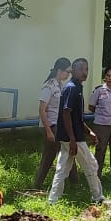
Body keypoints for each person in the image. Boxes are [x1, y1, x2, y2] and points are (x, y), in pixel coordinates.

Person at [47, 59, 105, 205]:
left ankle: (53, 200)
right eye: (80, 69)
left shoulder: (76, 87)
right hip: (72, 138)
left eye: (86, 69)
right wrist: (73, 139)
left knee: (62, 168)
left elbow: (77, 117)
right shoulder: (72, 88)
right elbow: (66, 113)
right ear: (73, 71)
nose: (84, 72)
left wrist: (89, 131)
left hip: (69, 136)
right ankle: (98, 197)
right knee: (91, 165)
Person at [32, 58, 77, 190]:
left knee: (49, 156)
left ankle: (38, 184)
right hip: (51, 126)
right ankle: (75, 183)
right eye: (67, 72)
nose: (68, 75)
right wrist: (48, 131)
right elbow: (42, 109)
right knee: (66, 152)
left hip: (59, 125)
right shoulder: (49, 86)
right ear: (60, 70)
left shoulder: (60, 85)